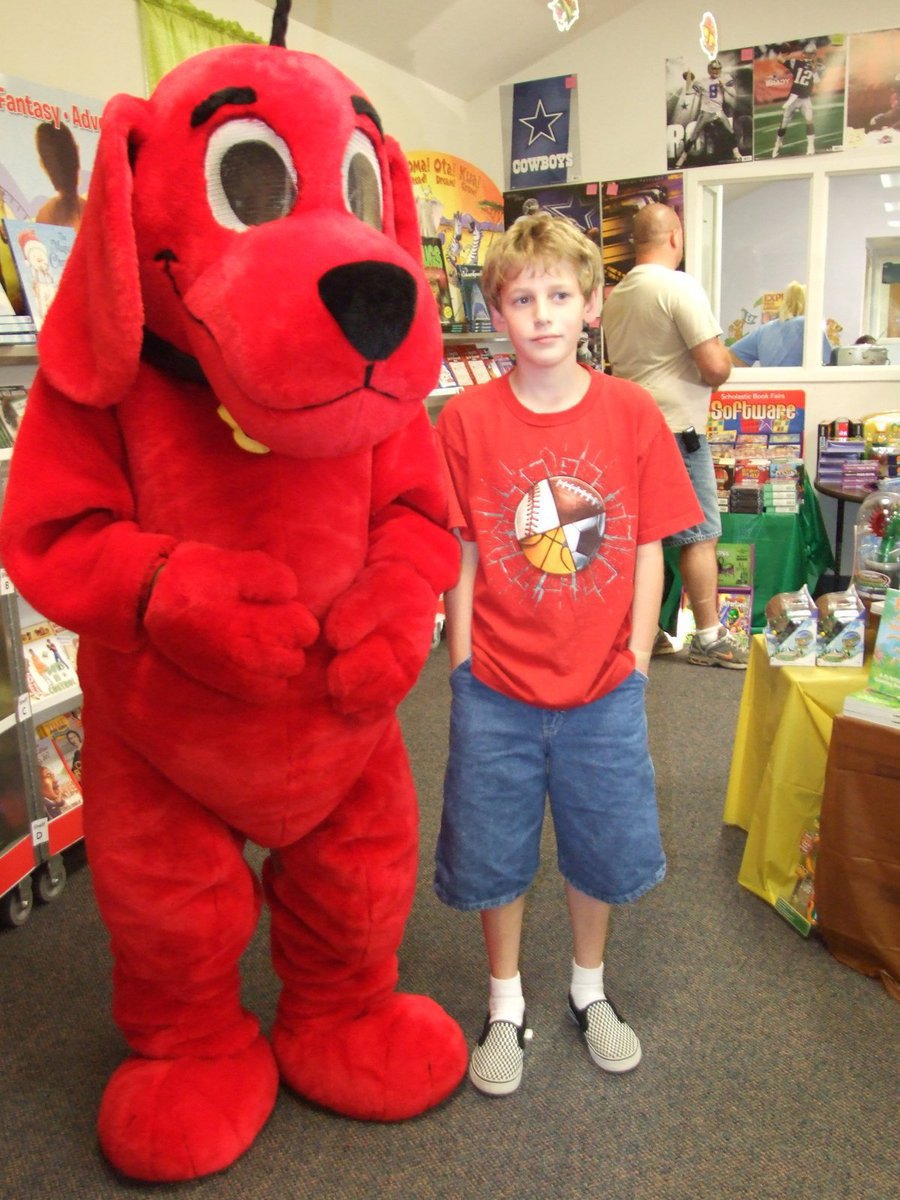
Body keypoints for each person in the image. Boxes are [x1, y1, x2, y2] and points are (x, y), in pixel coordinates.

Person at [433, 212, 703, 1097]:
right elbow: (462, 551)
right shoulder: (465, 420)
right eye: (522, 299)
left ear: (592, 305)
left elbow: (652, 544)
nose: (542, 313)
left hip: (604, 685)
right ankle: (504, 1002)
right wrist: (463, 661)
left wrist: (639, 655)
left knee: (601, 844)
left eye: (559, 295)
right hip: (496, 686)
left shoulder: (630, 413)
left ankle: (590, 990)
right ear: (497, 313)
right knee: (492, 850)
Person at [601, 202, 747, 668]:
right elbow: (716, 366)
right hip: (677, 431)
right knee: (700, 534)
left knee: (642, 538)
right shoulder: (677, 285)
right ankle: (708, 637)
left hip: (628, 430)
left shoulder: (617, 295)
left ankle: (645, 630)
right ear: (675, 237)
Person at [728, 281, 831, 367]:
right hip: (802, 384)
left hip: (772, 384)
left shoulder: (764, 329)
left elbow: (733, 353)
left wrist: (756, 378)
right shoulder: (809, 324)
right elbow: (828, 362)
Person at [674, 59, 743, 168]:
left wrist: (724, 87)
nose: (716, 71)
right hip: (706, 112)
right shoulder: (702, 81)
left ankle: (736, 153)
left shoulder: (725, 78)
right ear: (709, 70)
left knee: (730, 131)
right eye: (714, 69)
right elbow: (688, 92)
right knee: (694, 135)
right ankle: (683, 157)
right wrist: (688, 79)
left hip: (718, 111)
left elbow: (734, 94)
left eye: (718, 69)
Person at [771, 44, 821, 158]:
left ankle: (810, 146)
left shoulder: (803, 64)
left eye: (809, 54)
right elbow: (818, 85)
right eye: (808, 54)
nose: (808, 56)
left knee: (808, 121)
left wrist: (784, 53)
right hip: (796, 98)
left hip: (802, 98)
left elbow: (779, 59)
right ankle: (778, 144)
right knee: (785, 124)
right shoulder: (799, 63)